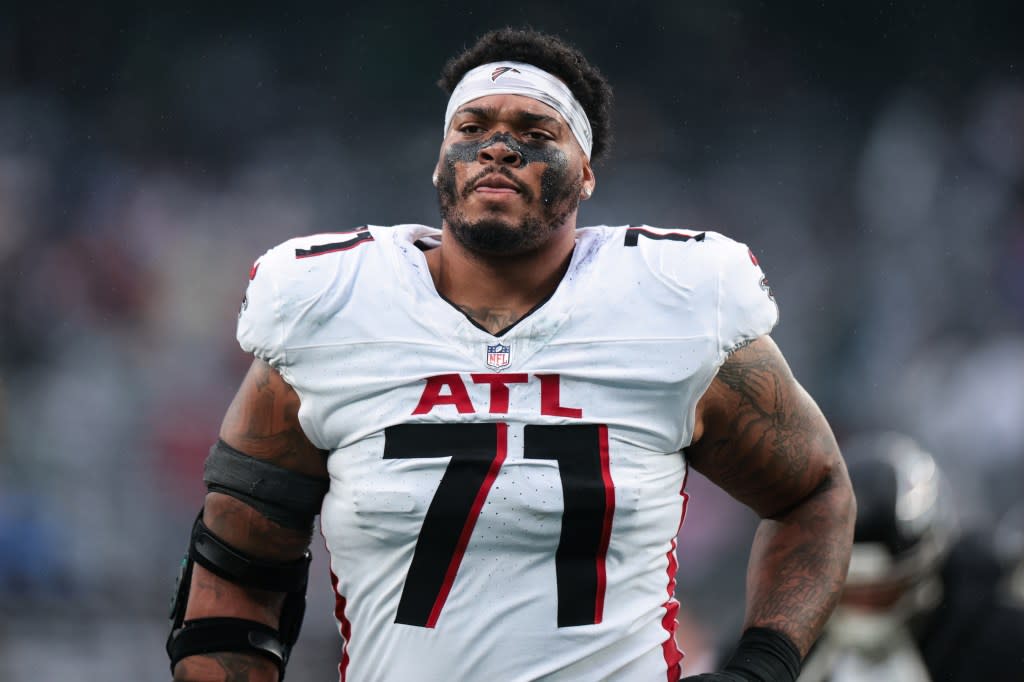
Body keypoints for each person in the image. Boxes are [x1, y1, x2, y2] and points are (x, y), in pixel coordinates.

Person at [166, 28, 856, 682]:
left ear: (586, 174)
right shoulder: (330, 307)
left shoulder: (675, 306)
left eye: (535, 133)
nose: (498, 148)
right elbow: (235, 577)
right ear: (440, 162)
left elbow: (815, 493)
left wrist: (763, 665)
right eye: (472, 129)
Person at [797, 432, 1024, 681]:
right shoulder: (794, 647)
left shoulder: (994, 636)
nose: (866, 607)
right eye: (852, 593)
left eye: (883, 592)